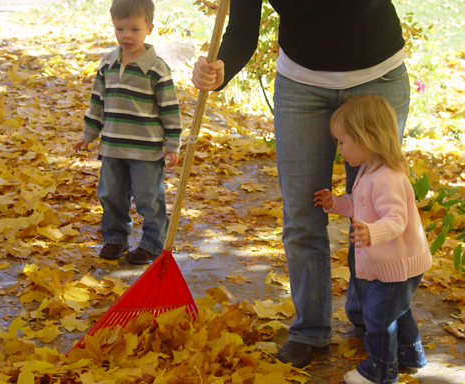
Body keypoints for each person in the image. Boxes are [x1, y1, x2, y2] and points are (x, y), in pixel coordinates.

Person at [191, 0, 411, 369]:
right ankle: (310, 328)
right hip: (301, 87)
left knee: (372, 209)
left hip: (378, 79)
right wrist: (220, 70)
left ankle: (370, 313)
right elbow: (242, 31)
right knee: (302, 215)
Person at [313, 94, 431, 384]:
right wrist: (335, 204)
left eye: (342, 141)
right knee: (397, 312)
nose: (339, 149)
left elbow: (396, 219)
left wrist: (372, 232)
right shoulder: (369, 170)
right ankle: (410, 355)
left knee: (378, 320)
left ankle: (379, 371)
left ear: (365, 139)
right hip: (394, 262)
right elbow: (359, 203)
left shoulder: (388, 177)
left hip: (396, 266)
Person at [74, 0, 182, 265]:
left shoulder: (156, 68)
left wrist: (173, 145)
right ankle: (115, 238)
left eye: (135, 29)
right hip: (112, 146)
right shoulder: (108, 63)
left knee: (149, 198)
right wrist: (88, 134)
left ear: (150, 28)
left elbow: (170, 109)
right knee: (111, 194)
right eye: (120, 29)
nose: (127, 35)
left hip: (145, 149)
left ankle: (152, 244)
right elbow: (97, 101)